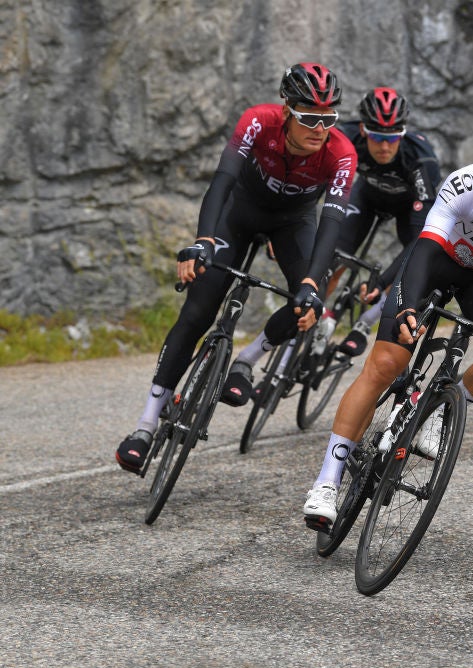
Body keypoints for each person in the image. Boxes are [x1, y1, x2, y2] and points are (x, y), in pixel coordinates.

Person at [301, 111, 473, 528]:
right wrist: (408, 307)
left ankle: (439, 410)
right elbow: (426, 247)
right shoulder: (472, 183)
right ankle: (327, 480)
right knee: (385, 364)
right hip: (434, 264)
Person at [114, 63, 357, 474]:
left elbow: (332, 222)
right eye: (310, 117)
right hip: (239, 214)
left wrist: (313, 283)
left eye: (328, 118)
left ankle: (247, 359)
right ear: (286, 110)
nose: (320, 128)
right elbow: (223, 180)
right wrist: (203, 240)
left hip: (292, 224)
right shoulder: (258, 121)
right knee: (197, 313)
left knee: (307, 304)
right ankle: (145, 425)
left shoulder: (341, 154)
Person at [311, 87, 442, 357]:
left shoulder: (421, 159)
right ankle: (313, 321)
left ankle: (365, 323)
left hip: (409, 207)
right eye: (377, 136)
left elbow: (422, 238)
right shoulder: (345, 137)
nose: (384, 146)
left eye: (392, 137)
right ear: (362, 129)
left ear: (402, 133)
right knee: (334, 257)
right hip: (367, 197)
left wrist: (381, 281)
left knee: (414, 262)